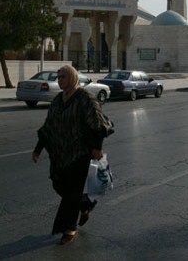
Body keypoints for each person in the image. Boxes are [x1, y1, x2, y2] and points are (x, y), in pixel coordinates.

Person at [32, 65, 111, 245]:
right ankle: (85, 206)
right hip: (61, 154)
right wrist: (38, 149)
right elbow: (48, 126)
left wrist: (97, 148)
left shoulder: (85, 97)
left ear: (73, 78)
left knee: (72, 193)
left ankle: (69, 228)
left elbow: (97, 124)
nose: (60, 80)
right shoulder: (58, 100)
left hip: (80, 153)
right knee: (59, 185)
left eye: (64, 77)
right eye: (58, 77)